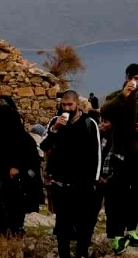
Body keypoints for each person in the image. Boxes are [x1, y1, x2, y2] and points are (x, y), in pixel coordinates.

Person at [101, 63, 138, 253]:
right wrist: (123, 95)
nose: (133, 81)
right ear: (126, 78)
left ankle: (132, 230)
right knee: (118, 197)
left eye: (136, 78)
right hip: (120, 156)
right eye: (130, 78)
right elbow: (105, 112)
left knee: (136, 197)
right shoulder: (116, 96)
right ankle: (118, 235)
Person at [42, 90, 103, 258]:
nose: (67, 108)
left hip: (82, 184)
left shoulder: (89, 123)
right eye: (64, 105)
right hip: (60, 184)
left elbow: (97, 154)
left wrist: (94, 181)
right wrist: (55, 129)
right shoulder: (55, 121)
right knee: (62, 224)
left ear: (77, 104)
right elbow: (43, 146)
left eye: (70, 105)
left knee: (84, 223)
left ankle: (81, 253)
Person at [0, 78, 36, 235]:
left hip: (5, 167)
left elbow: (18, 140)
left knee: (2, 200)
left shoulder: (8, 114)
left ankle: (9, 232)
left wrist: (16, 165)